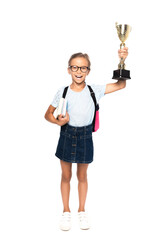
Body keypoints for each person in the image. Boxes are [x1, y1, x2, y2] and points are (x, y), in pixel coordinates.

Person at [44, 47, 128, 231]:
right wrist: (57, 122)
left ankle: (81, 211)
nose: (79, 71)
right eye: (75, 68)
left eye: (83, 68)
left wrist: (122, 60)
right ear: (68, 69)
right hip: (66, 135)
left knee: (82, 176)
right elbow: (47, 114)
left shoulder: (94, 90)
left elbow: (121, 85)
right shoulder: (63, 91)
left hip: (85, 137)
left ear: (88, 71)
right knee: (66, 176)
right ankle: (66, 211)